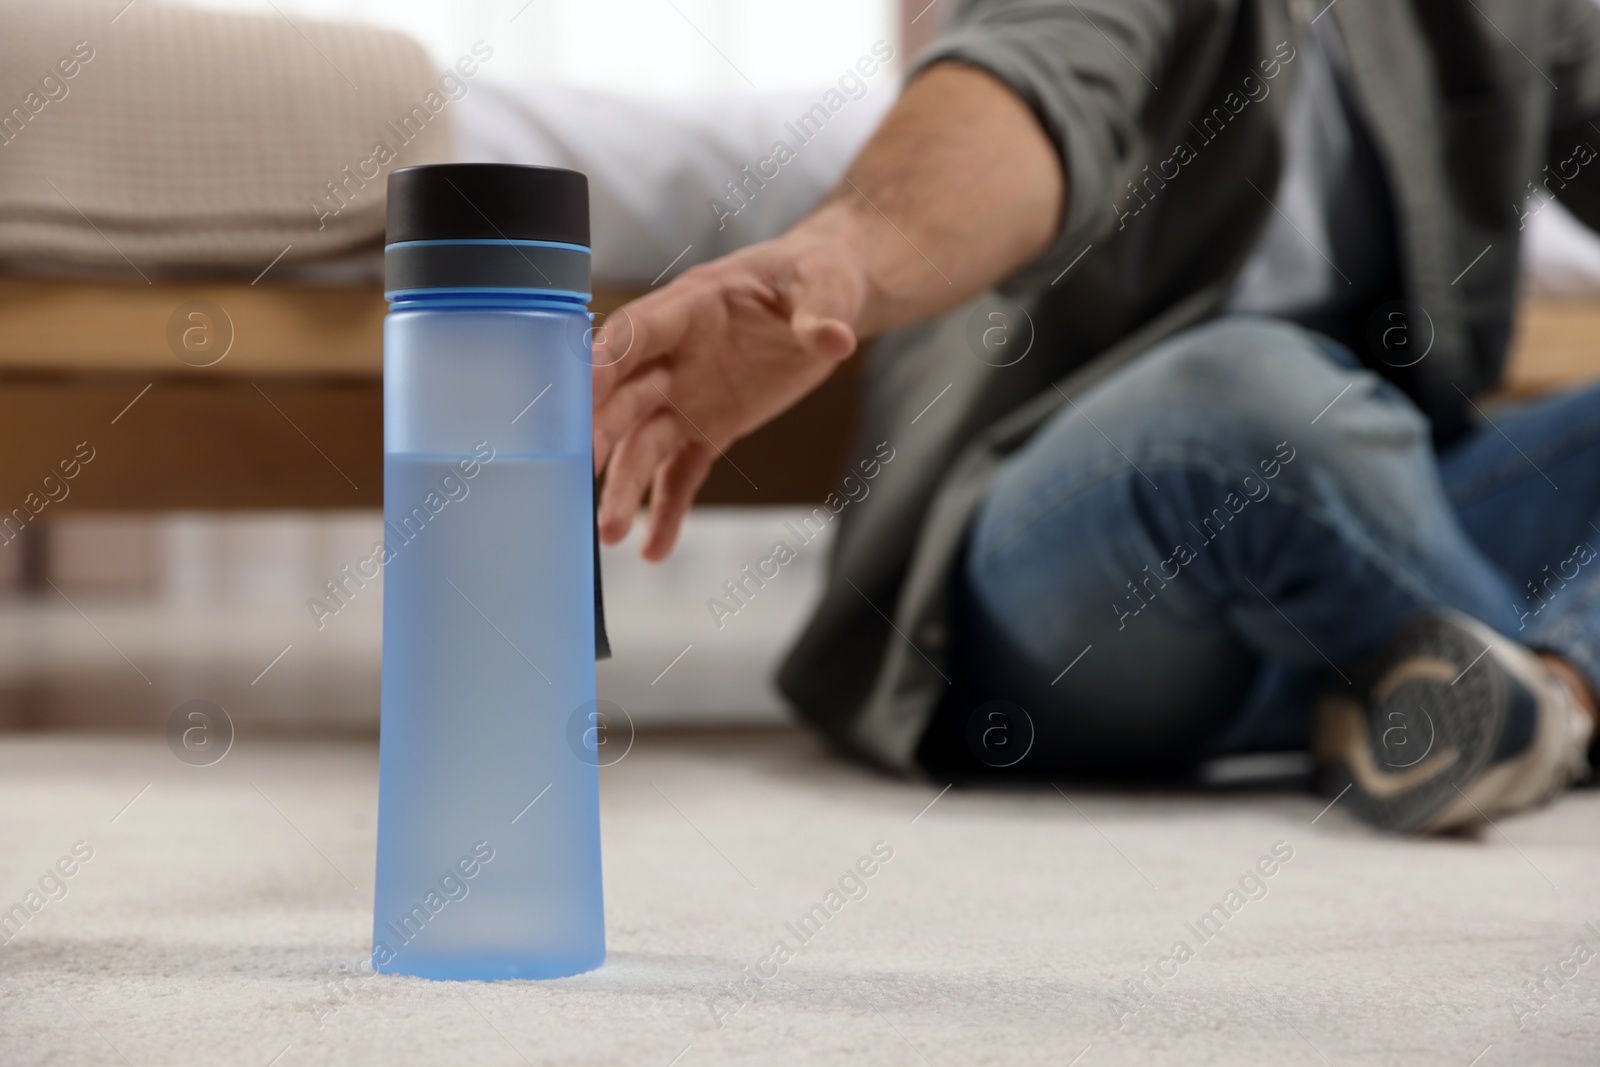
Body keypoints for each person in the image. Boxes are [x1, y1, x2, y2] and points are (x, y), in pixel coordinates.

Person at [590, 0, 1600, 833]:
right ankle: (1524, 688)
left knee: (1310, 416)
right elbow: (1030, 80)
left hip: (1385, 500)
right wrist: (851, 252)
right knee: (1255, 404)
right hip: (1071, 541)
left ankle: (1525, 695)